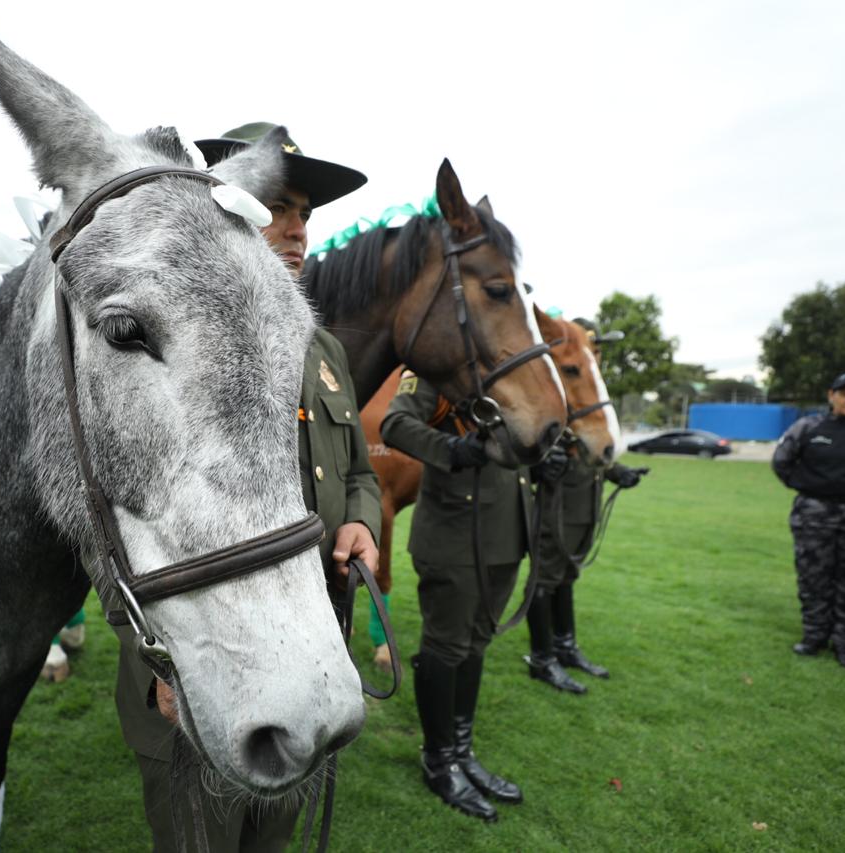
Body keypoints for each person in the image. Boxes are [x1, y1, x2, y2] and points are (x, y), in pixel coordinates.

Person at [114, 122, 382, 851]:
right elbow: (111, 511)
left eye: (305, 214)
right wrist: (161, 660)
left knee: (273, 837)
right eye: (277, 207)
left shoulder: (323, 347)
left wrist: (362, 521)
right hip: (208, 653)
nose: (297, 229)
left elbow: (358, 470)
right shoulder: (170, 338)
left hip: (311, 646)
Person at [380, 372, 529, 823]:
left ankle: (462, 753)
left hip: (506, 533)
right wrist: (452, 450)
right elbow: (396, 424)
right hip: (454, 534)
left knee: (476, 643)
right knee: (446, 647)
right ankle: (439, 759)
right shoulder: (441, 366)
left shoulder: (523, 370)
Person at [772, 371, 845, 669]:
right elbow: (782, 462)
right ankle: (814, 636)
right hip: (813, 515)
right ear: (832, 395)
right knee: (814, 579)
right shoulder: (808, 427)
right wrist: (808, 486)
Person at [528, 441, 644, 692]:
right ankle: (542, 660)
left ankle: (565, 648)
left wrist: (619, 472)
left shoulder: (587, 423)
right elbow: (531, 461)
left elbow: (593, 456)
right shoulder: (556, 421)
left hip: (585, 513)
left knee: (566, 579)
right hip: (556, 515)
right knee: (544, 581)